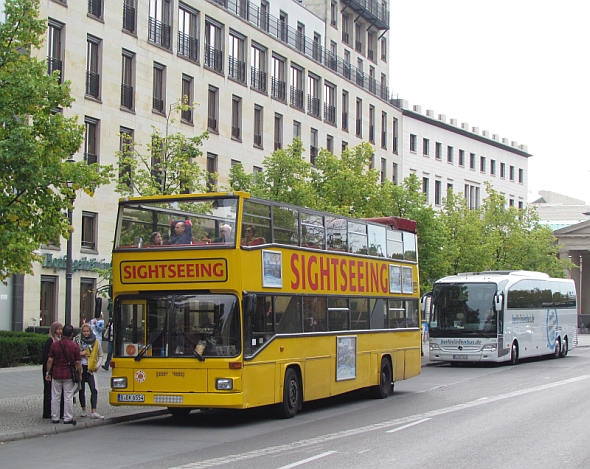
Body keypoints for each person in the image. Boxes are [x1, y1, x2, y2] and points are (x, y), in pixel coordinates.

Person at [45, 324, 82, 425]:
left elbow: (50, 360)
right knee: (68, 396)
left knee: (55, 396)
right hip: (68, 374)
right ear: (71, 334)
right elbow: (78, 362)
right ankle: (67, 417)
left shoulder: (55, 345)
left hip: (56, 373)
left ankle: (55, 417)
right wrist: (79, 373)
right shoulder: (74, 346)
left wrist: (48, 372)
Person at [75, 323, 105, 419]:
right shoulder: (77, 341)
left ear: (90, 331)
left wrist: (98, 365)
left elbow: (101, 355)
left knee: (94, 389)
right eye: (84, 331)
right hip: (80, 367)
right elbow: (73, 353)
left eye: (87, 331)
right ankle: (83, 410)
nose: (85, 333)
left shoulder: (96, 341)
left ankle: (94, 410)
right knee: (81, 389)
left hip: (91, 368)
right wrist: (80, 353)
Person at [42, 322, 63, 419]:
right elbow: (47, 358)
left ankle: (56, 411)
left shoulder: (59, 340)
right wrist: (48, 371)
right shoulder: (50, 341)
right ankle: (47, 412)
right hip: (49, 368)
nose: (60, 331)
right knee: (48, 390)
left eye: (61, 329)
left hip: (56, 368)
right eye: (58, 329)